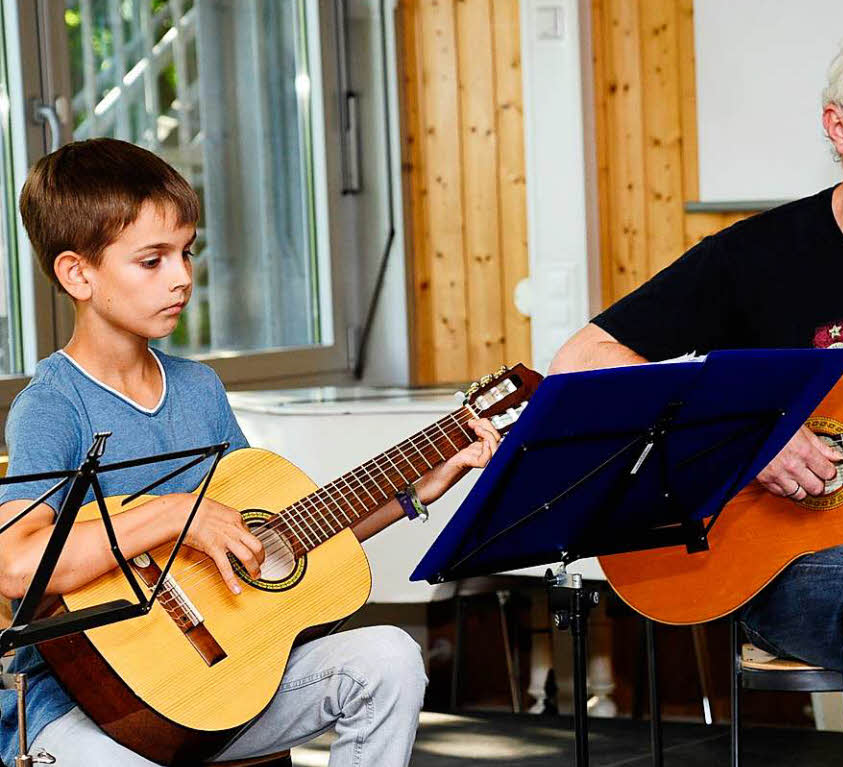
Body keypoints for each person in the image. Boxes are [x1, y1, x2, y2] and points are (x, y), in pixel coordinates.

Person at [551, 14, 843, 767]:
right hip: (792, 570)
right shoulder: (756, 258)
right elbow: (581, 361)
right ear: (839, 126)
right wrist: (743, 433)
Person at [0, 137, 501, 767]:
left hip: (217, 690)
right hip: (78, 708)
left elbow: (272, 537)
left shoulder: (198, 388)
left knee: (389, 657)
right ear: (78, 273)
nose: (182, 276)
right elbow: (15, 566)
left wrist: (412, 492)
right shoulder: (51, 406)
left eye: (185, 253)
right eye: (152, 261)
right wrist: (174, 515)